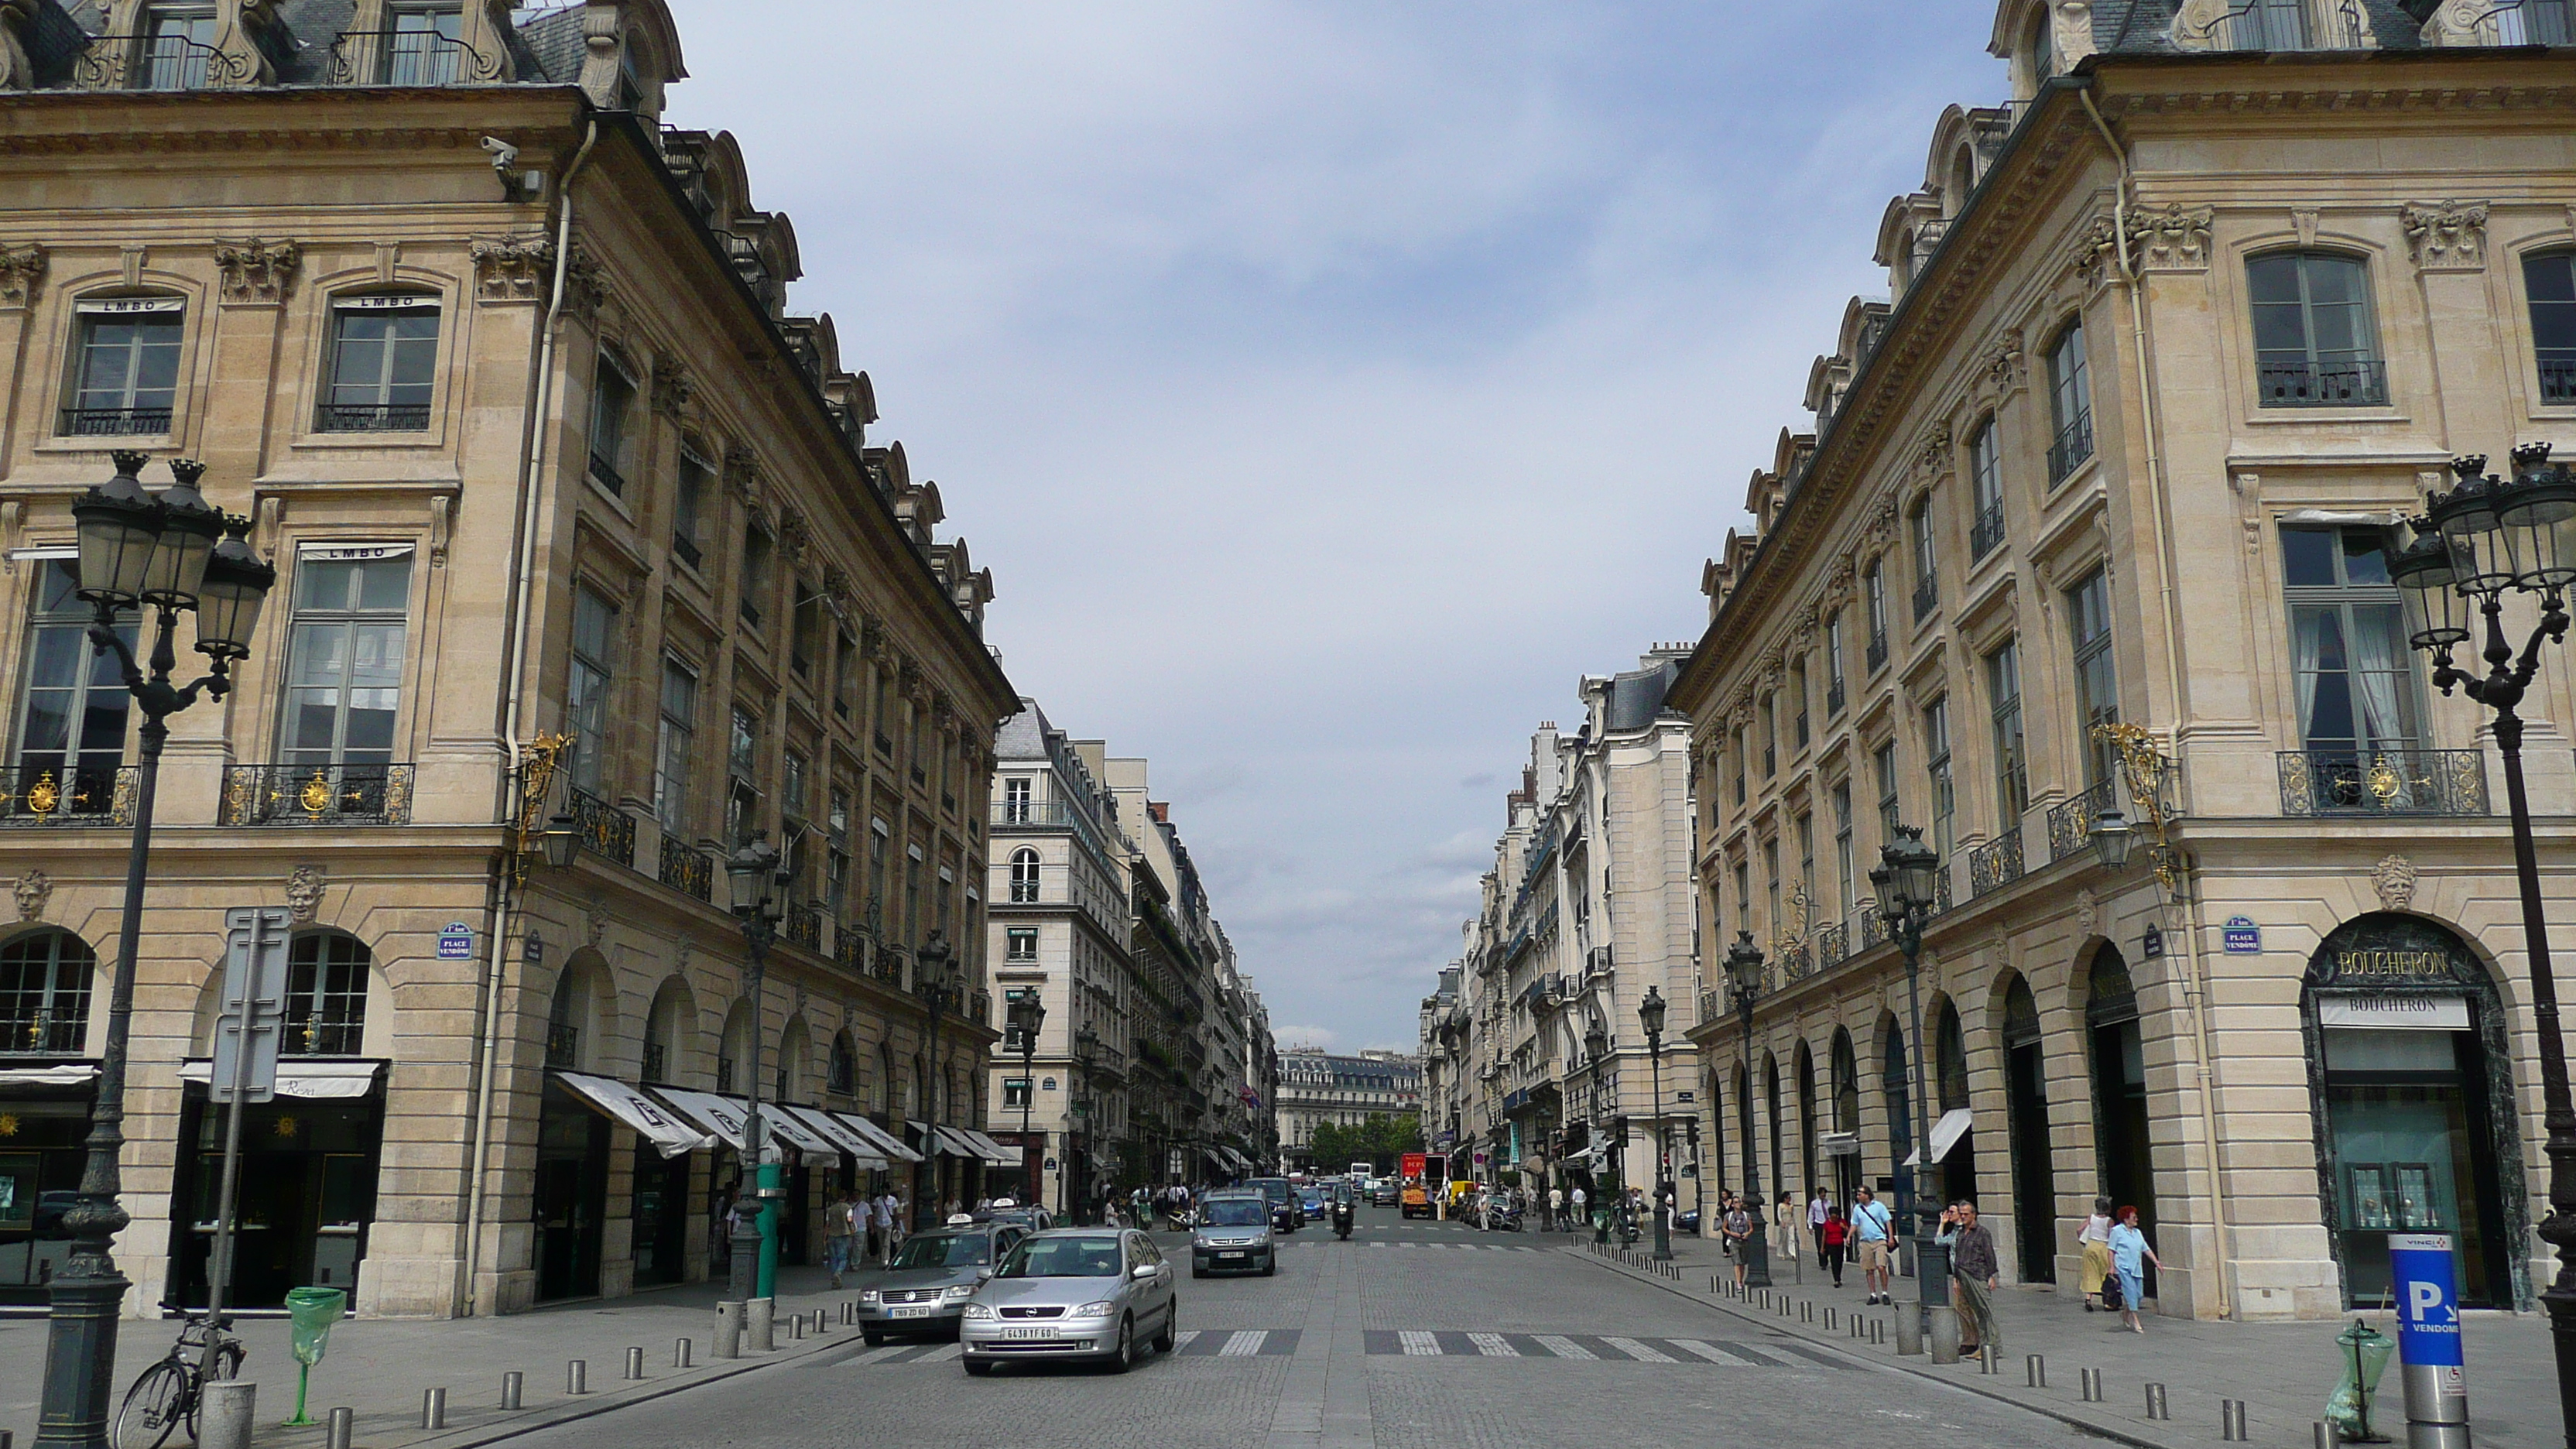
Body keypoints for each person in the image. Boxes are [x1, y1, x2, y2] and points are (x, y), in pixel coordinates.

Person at [1940, 1201, 2001, 1356]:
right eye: (1962, 1214)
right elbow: (1958, 1257)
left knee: (1986, 1311)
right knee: (1978, 1314)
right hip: (1963, 1275)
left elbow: (1989, 1255)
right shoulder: (1960, 1232)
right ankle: (1984, 1346)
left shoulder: (1982, 1232)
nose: (1964, 1217)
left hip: (1978, 1275)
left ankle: (1994, 1348)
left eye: (1967, 1214)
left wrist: (1991, 1276)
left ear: (1974, 1215)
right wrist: (1956, 1279)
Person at [2108, 1205, 2162, 1334]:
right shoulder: (2117, 1231)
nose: (2136, 1219)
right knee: (2131, 1292)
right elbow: (2111, 1250)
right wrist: (2111, 1266)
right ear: (2126, 1219)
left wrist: (2157, 1263)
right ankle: (2136, 1320)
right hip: (2123, 1267)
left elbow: (2146, 1249)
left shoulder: (2138, 1233)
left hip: (2136, 1268)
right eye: (2134, 1217)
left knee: (2139, 1295)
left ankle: (2126, 1313)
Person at [1852, 1184, 1895, 1305]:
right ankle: (1873, 1294)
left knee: (1881, 1267)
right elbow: (1854, 1224)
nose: (1858, 1196)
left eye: (1860, 1194)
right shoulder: (1857, 1209)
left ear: (1867, 1195)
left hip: (1880, 1240)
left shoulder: (1879, 1206)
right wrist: (1849, 1236)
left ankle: (1885, 1293)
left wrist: (1890, 1238)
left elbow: (1888, 1222)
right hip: (1865, 1241)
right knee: (1869, 1269)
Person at [2078, 1197, 2115, 1311]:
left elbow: (2079, 1229)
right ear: (2108, 1208)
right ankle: (2107, 1301)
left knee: (2090, 1273)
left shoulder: (2091, 1218)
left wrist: (2083, 1241)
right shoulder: (2109, 1221)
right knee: (2105, 1274)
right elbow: (2112, 1236)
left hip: (2090, 1246)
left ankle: (2088, 1300)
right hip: (2103, 1247)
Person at [824, 1189, 855, 1289]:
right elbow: (849, 1220)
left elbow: (827, 1224)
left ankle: (835, 1281)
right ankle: (838, 1273)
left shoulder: (830, 1209)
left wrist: (825, 1237)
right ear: (846, 1197)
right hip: (843, 1234)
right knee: (843, 1258)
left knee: (833, 1258)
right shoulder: (848, 1208)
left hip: (832, 1234)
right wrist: (852, 1228)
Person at [1721, 1194, 1755, 1286]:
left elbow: (1751, 1228)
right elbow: (1724, 1228)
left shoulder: (1746, 1215)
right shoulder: (1729, 1215)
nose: (1738, 1204)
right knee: (1737, 1262)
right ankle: (1738, 1283)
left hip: (1744, 1241)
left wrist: (1747, 1233)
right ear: (1732, 1205)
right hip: (1733, 1241)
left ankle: (1741, 1280)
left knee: (1743, 1262)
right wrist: (1732, 1233)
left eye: (1739, 1202)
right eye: (1736, 1202)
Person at [1819, 1203, 1848, 1287]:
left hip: (1840, 1243)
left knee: (1840, 1261)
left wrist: (1844, 1227)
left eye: (1836, 1217)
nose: (1834, 1219)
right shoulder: (1827, 1223)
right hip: (1830, 1244)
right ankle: (1836, 1279)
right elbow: (1824, 1235)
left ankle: (1839, 1276)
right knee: (1834, 1261)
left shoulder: (1842, 1222)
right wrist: (1822, 1247)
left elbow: (1848, 1232)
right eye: (1833, 1217)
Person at [1808, 1187, 1831, 1271]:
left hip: (1827, 1224)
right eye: (1822, 1193)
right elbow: (1811, 1214)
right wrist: (1810, 1226)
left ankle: (1826, 1257)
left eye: (1824, 1193)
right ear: (1819, 1194)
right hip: (1819, 1225)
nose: (1823, 1195)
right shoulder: (1814, 1204)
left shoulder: (1829, 1203)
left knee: (1827, 1243)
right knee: (1819, 1243)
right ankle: (1822, 1263)